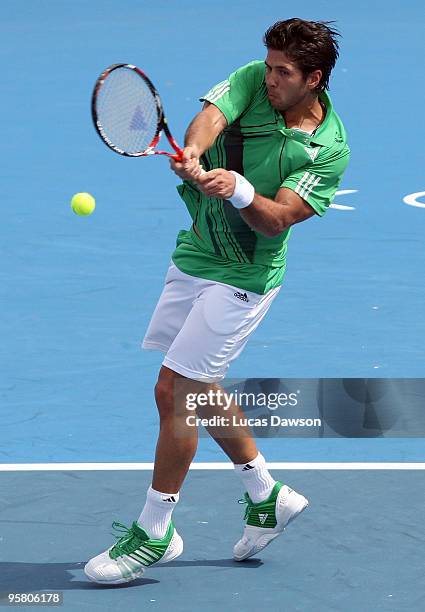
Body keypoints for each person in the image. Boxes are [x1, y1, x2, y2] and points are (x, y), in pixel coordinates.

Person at [84, 17, 350, 584]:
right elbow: (209, 117)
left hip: (244, 276)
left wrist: (240, 187)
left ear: (314, 79)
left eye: (284, 73)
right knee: (186, 390)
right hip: (198, 249)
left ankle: (153, 533)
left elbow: (277, 221)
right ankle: (265, 494)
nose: (271, 79)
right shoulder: (255, 78)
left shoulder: (328, 150)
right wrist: (197, 154)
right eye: (271, 67)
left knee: (179, 392)